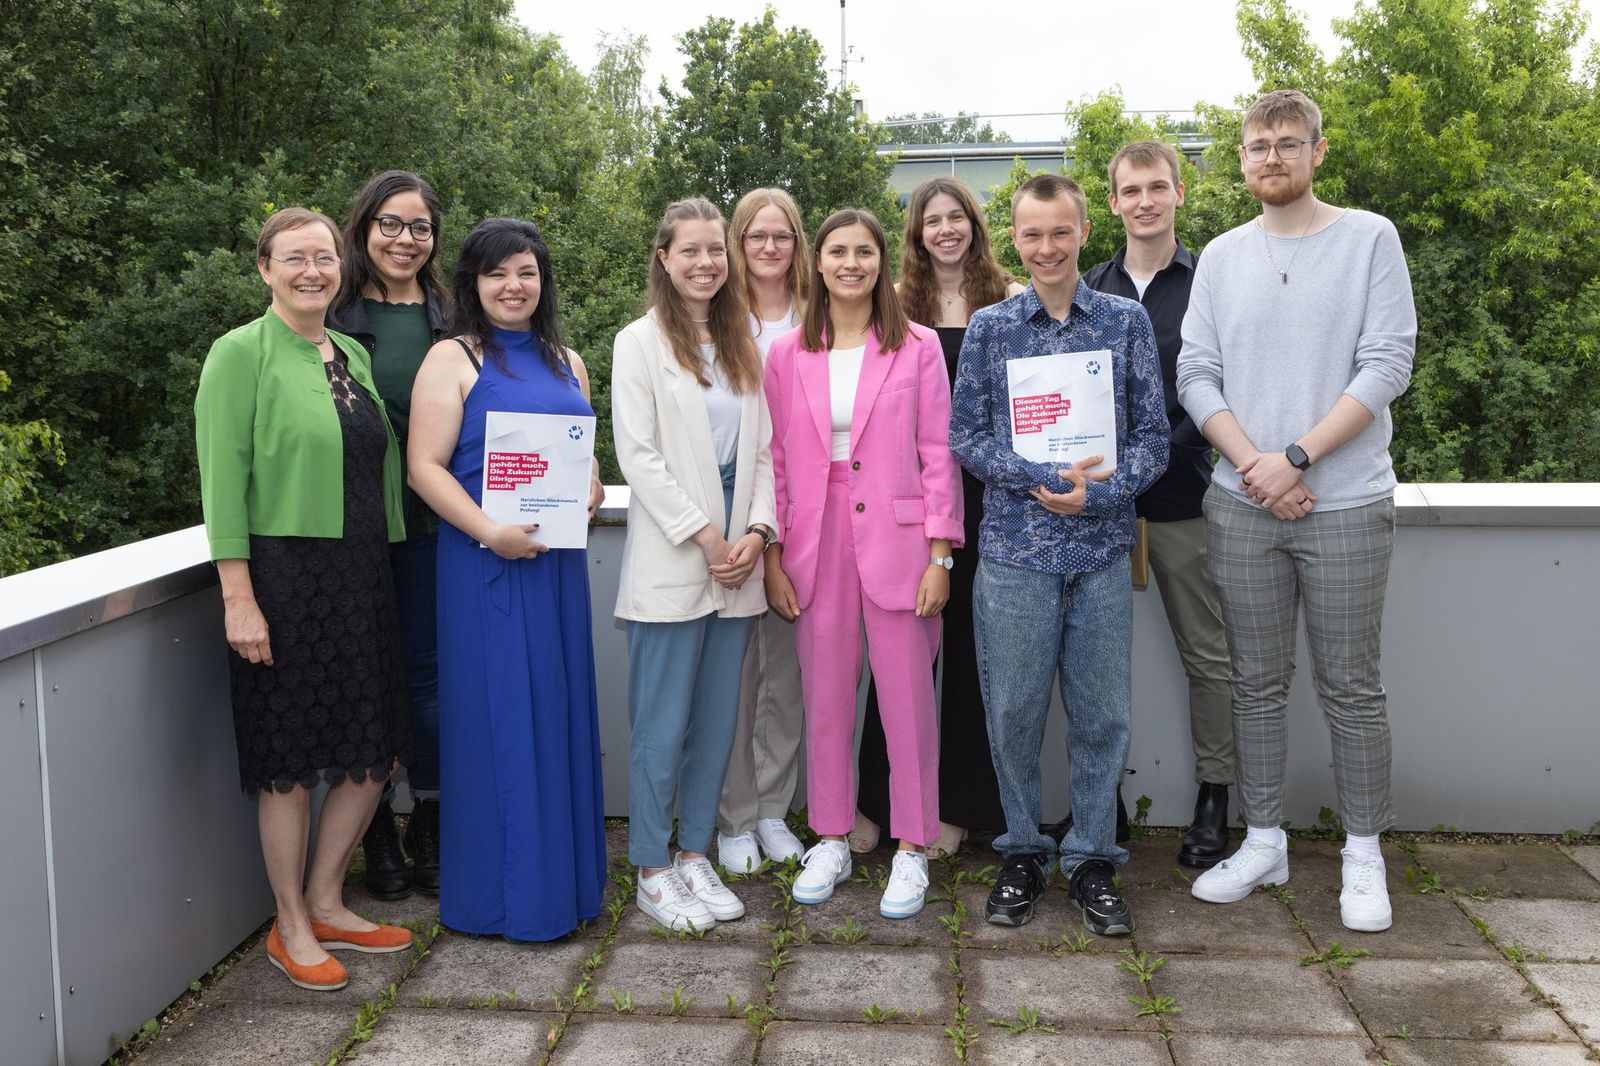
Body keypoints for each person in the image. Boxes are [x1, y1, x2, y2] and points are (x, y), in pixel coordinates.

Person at [1177, 89, 1415, 933]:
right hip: (1241, 503)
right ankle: (1266, 838)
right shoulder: (1221, 255)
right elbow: (1195, 373)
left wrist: (1299, 458)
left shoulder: (1369, 239)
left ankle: (1361, 855)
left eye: (1288, 142)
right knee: (1256, 683)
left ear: (1318, 151)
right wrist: (1255, 465)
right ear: (1240, 160)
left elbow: (1387, 364)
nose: (1271, 155)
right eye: (1256, 144)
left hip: (1346, 501)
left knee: (1352, 687)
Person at [195, 207, 414, 992]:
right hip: (283, 577)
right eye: (295, 258)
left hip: (360, 574)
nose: (313, 270)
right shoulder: (238, 354)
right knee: (288, 759)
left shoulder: (350, 350)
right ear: (265, 268)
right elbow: (222, 485)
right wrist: (237, 597)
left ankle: (327, 899)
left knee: (371, 744)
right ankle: (289, 925)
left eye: (324, 256)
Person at [950, 174, 1169, 936]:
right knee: (1011, 714)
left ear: (1083, 232)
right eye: (1032, 234)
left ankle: (1092, 861)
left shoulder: (1125, 322)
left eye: (1060, 232)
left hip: (1101, 553)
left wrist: (1101, 496)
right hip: (1014, 557)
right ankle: (1019, 852)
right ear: (1015, 238)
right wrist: (1041, 477)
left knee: (1103, 717)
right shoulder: (989, 327)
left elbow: (1153, 439)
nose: (1047, 247)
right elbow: (967, 437)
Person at [407, 218, 607, 941]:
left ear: (543, 280)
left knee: (553, 714)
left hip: (554, 567)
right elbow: (423, 467)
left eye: (526, 272)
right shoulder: (451, 358)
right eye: (497, 274)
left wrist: (590, 483)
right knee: (498, 722)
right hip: (484, 565)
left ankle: (563, 888)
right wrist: (489, 531)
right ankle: (502, 899)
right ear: (473, 282)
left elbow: (582, 450)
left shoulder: (568, 359)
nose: (513, 286)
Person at [763, 207, 964, 919]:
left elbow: (938, 453)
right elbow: (780, 460)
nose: (851, 263)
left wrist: (941, 553)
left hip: (902, 545)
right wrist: (776, 555)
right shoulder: (786, 354)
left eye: (865, 252)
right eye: (838, 251)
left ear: (882, 262)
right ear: (816, 262)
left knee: (908, 702)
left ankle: (911, 847)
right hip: (816, 544)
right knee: (824, 700)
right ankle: (832, 834)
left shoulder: (914, 345)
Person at [612, 197, 776, 931]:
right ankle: (650, 865)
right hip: (680, 553)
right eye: (691, 251)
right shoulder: (638, 342)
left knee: (716, 721)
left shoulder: (745, 339)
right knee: (661, 722)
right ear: (663, 258)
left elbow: (769, 449)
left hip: (740, 552)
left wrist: (759, 533)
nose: (707, 262)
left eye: (716, 250)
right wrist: (707, 539)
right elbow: (638, 456)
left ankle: (694, 855)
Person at [852, 177, 1022, 861]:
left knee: (972, 659)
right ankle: (876, 799)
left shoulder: (1010, 299)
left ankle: (957, 807)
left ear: (976, 226)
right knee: (897, 657)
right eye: (932, 220)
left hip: (990, 501)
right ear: (916, 233)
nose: (946, 229)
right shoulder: (892, 305)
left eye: (957, 217)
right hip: (913, 501)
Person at [1083, 142, 1234, 869]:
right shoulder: (1086, 287)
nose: (1144, 200)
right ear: (1111, 202)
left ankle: (1214, 798)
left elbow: (1223, 386)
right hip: (1096, 508)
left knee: (1206, 656)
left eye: (1157, 187)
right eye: (1130, 189)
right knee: (1092, 661)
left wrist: (1146, 460)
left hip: (1182, 497)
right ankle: (1098, 801)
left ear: (1179, 194)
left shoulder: (1213, 283)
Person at [328, 170, 449, 901]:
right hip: (353, 528)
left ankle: (428, 819)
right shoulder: (328, 314)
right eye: (392, 224)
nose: (406, 240)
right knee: (365, 678)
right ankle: (373, 830)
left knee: (429, 680)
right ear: (365, 225)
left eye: (421, 228)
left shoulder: (454, 315)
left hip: (436, 525)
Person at [715, 188, 810, 873]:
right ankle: (734, 817)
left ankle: (775, 810)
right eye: (756, 237)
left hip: (805, 516)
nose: (770, 248)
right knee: (733, 674)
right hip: (734, 514)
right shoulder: (712, 317)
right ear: (736, 244)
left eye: (781, 236)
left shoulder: (820, 316)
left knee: (787, 673)